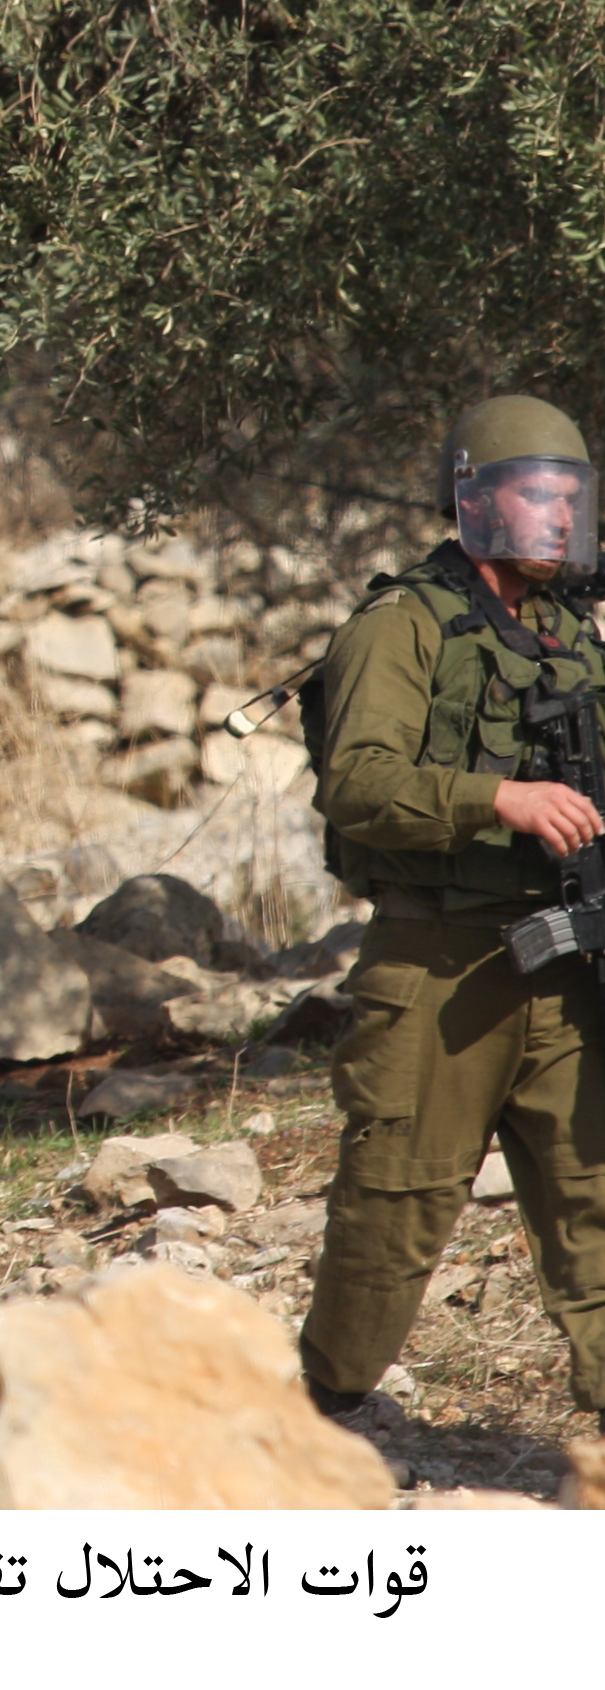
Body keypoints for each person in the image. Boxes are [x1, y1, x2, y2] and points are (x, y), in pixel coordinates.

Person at [298, 394, 605, 1425]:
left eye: (571, 496)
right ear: (475, 500)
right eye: (536, 494)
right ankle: (321, 1416)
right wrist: (496, 799)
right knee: (394, 1211)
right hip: (440, 970)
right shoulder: (401, 626)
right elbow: (357, 783)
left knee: (596, 1201)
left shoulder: (571, 630)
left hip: (568, 966)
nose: (560, 516)